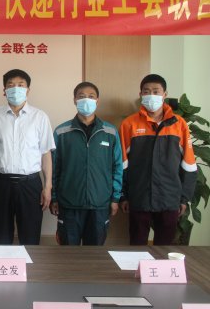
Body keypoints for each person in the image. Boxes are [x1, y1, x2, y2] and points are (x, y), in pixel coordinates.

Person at [119, 74, 197, 245]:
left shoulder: (179, 124)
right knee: (137, 247)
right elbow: (122, 164)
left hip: (169, 198)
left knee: (164, 249)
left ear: (164, 94)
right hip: (139, 197)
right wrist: (123, 195)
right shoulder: (129, 124)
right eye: (146, 91)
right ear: (140, 94)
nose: (151, 95)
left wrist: (184, 198)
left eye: (156, 91)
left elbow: (189, 165)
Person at [0, 69, 55, 245]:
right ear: (4, 90)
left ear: (28, 90)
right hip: (0, 183)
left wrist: (47, 187)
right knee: (1, 237)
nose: (15, 89)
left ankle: (29, 264)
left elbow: (46, 154)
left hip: (30, 184)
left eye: (20, 85)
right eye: (10, 85)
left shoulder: (40, 117)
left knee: (30, 237)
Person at [50, 82, 123, 245]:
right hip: (69, 203)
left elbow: (117, 166)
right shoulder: (61, 132)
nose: (86, 100)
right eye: (81, 96)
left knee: (95, 253)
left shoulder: (110, 132)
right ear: (74, 100)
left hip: (100, 204)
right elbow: (54, 167)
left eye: (91, 96)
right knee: (68, 252)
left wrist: (115, 198)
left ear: (97, 100)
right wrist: (54, 197)